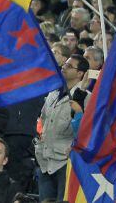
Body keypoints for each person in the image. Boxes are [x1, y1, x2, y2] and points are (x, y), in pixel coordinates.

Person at [34, 54, 90, 201]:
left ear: (80, 73)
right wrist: (39, 143)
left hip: (65, 163)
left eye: (69, 66)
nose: (64, 67)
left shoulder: (87, 98)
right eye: (65, 64)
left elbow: (85, 131)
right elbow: (42, 120)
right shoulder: (53, 94)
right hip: (45, 161)